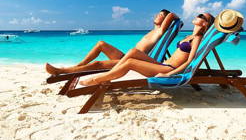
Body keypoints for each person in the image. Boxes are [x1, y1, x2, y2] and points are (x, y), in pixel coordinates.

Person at [78, 13, 215, 86]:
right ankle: (109, 75)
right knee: (133, 52)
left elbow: (190, 61)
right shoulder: (189, 36)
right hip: (163, 64)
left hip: (168, 69)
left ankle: (98, 79)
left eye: (202, 17)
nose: (198, 16)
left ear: (205, 24)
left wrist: (169, 74)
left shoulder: (197, 38)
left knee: (130, 62)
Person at [46, 9, 179, 75]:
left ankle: (62, 71)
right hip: (125, 56)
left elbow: (172, 15)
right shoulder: (152, 30)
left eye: (161, 15)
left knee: (98, 64)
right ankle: (78, 65)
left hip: (132, 60)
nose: (157, 15)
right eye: (157, 14)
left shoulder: (160, 31)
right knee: (101, 43)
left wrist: (172, 18)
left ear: (165, 20)